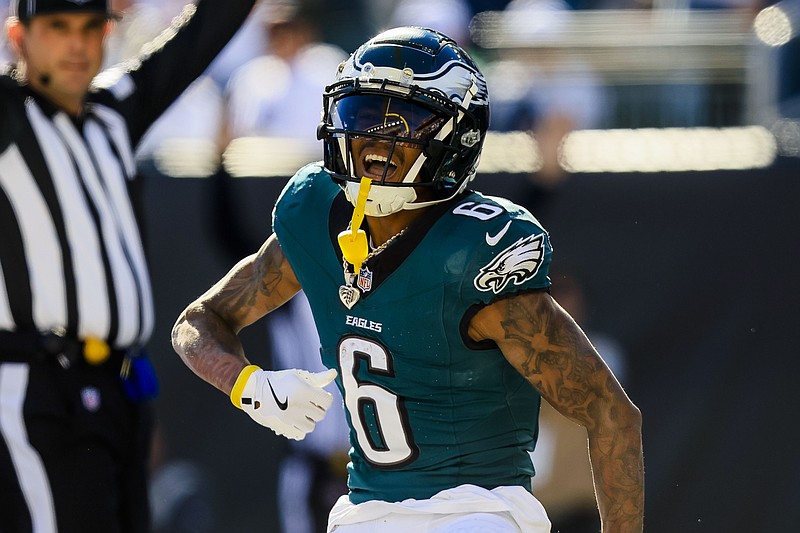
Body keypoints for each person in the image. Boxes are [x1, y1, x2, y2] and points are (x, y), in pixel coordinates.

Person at [172, 26, 644, 532]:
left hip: (476, 510)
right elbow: (198, 322)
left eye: (403, 124)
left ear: (455, 137)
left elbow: (610, 412)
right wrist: (247, 384)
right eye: (363, 117)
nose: (376, 143)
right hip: (366, 508)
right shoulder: (316, 214)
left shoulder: (471, 253)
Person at [0, 0, 256, 531]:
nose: (77, 44)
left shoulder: (116, 111)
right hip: (36, 387)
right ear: (19, 37)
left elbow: (207, 28)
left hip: (120, 386)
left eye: (91, 28)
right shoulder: (9, 116)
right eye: (58, 28)